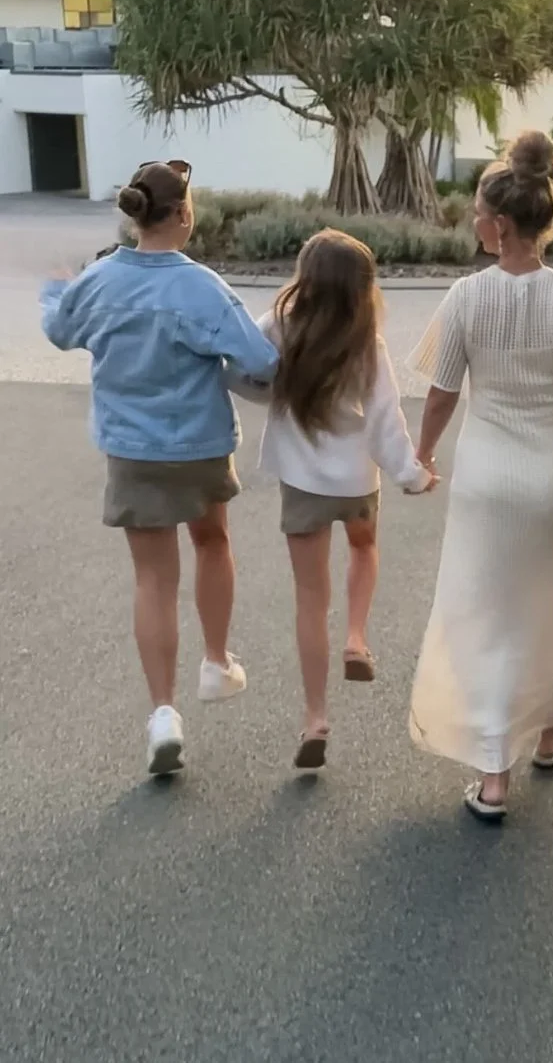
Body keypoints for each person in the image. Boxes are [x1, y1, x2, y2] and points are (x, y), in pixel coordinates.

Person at [40, 160, 279, 776]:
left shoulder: (99, 280)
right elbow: (261, 360)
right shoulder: (202, 287)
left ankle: (164, 714)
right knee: (213, 541)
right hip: (200, 444)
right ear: (184, 215)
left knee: (153, 579)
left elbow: (61, 330)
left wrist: (54, 288)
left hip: (132, 449)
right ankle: (217, 662)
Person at [407, 130, 553, 822]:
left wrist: (424, 453)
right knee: (542, 610)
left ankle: (494, 777)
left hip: (487, 479)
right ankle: (546, 734)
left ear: (499, 225)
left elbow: (442, 392)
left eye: (477, 214)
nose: (472, 222)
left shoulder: (466, 296)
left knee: (485, 613)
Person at [228, 230, 434, 770]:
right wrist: (413, 475)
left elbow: (242, 375)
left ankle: (316, 717)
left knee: (309, 599)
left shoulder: (278, 326)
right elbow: (387, 423)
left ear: (307, 279)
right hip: (357, 480)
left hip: (303, 483)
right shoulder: (369, 344)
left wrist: (273, 388)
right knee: (364, 548)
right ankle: (357, 639)